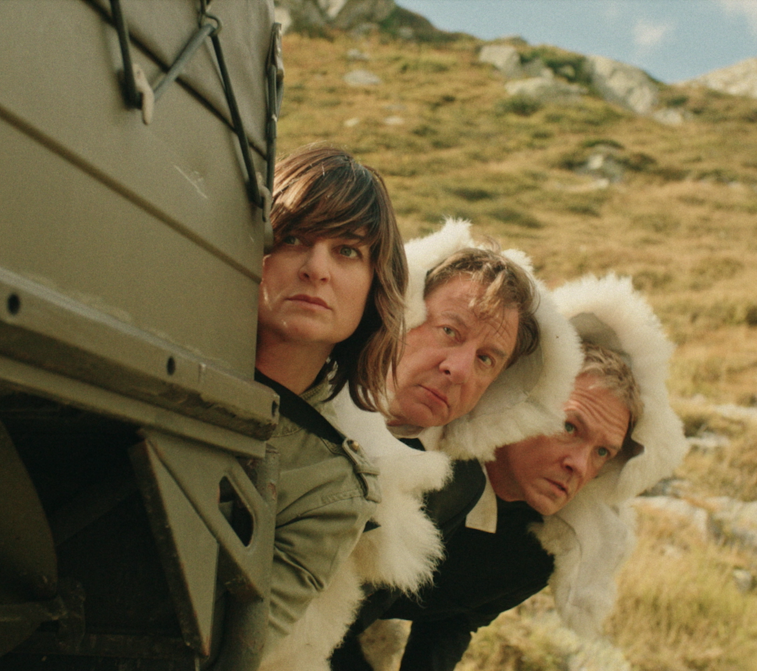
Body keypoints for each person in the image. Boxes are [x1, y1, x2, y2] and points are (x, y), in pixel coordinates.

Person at [263, 220, 582, 671]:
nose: (460, 369)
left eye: (486, 359)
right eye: (449, 331)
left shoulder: (455, 486)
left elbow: (357, 615)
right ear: (403, 311)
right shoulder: (300, 367)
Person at [339, 275, 688, 671]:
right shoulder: (421, 470)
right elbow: (325, 602)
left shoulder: (538, 553)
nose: (579, 464)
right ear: (524, 402)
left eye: (602, 452)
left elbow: (459, 614)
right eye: (570, 427)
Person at [253, 144, 407, 656]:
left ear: (374, 287)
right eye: (293, 238)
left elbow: (230, 649)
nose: (316, 268)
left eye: (347, 251)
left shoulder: (333, 488)